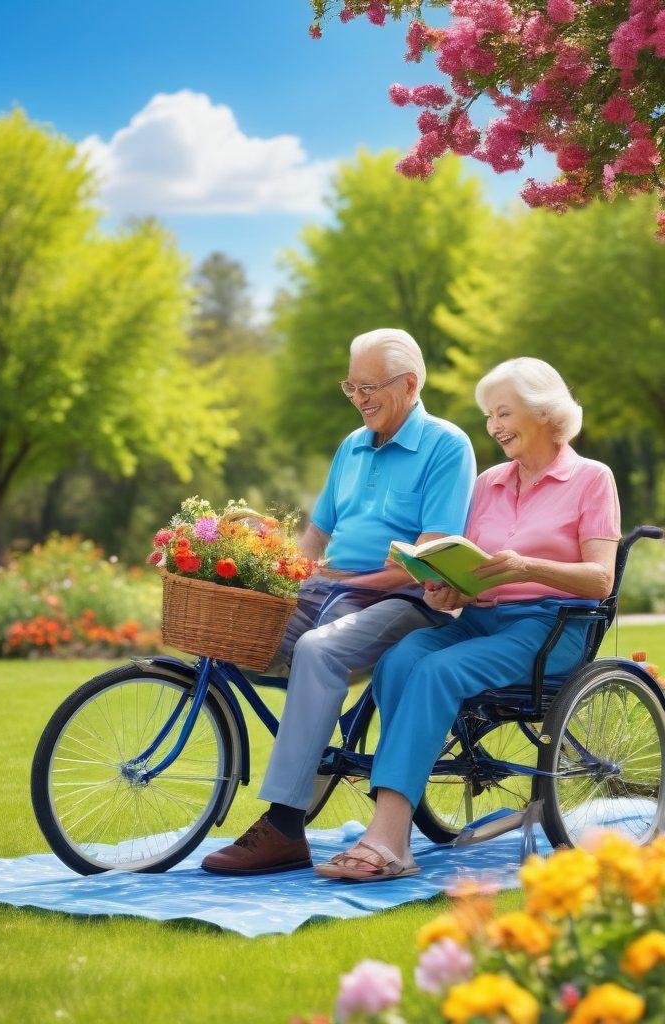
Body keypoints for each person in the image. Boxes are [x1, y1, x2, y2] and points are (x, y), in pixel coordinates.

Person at [315, 357, 622, 881]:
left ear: (546, 413)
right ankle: (396, 814)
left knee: (438, 671)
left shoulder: (591, 478)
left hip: (550, 628)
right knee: (399, 660)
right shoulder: (488, 483)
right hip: (481, 618)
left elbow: (600, 580)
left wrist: (527, 567)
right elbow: (469, 567)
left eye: (504, 413)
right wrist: (443, 586)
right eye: (489, 417)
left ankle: (389, 839)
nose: (495, 428)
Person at [201, 328, 476, 875]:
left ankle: (284, 823)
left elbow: (423, 563)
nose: (360, 398)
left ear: (410, 384)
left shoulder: (446, 445)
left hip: (406, 601)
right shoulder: (352, 446)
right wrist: (283, 577)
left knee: (321, 651)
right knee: (228, 629)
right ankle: (309, 751)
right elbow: (315, 537)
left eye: (370, 387)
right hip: (331, 587)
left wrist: (344, 578)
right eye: (351, 386)